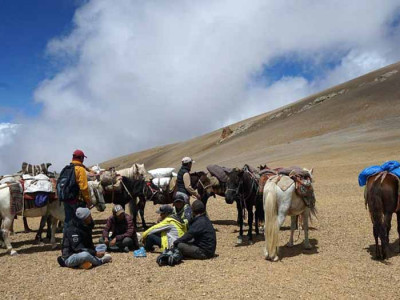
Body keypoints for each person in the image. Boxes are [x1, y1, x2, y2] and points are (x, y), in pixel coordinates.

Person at [63, 149, 92, 232]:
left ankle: (67, 242)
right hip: (77, 201)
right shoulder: (80, 169)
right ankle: (79, 241)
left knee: (68, 221)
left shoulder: (67, 168)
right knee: (80, 222)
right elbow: (84, 188)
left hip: (67, 200)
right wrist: (88, 201)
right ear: (81, 158)